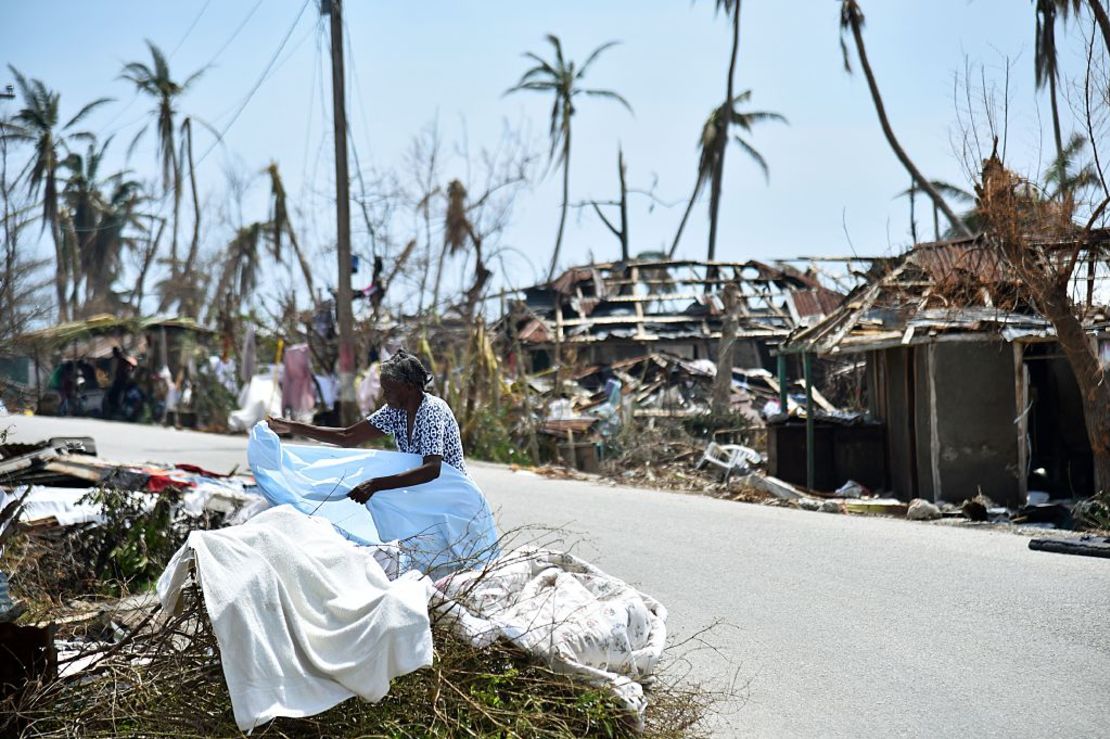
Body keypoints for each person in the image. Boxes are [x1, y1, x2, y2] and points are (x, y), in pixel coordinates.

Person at [268, 350, 464, 505]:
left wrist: (376, 484)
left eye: (389, 390)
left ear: (409, 387)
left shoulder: (431, 410)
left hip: (453, 493)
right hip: (426, 491)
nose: (384, 396)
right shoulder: (395, 411)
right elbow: (348, 436)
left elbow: (432, 469)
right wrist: (292, 427)